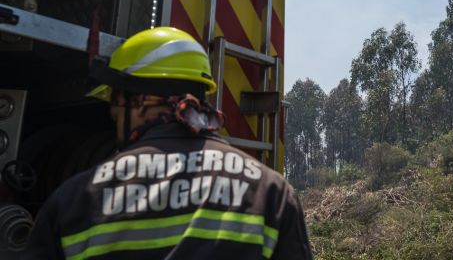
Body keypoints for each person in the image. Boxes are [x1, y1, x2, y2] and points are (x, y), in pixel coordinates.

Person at [21, 26, 312, 259]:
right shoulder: (270, 192)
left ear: (141, 101)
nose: (112, 114)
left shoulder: (75, 200)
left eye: (115, 104)